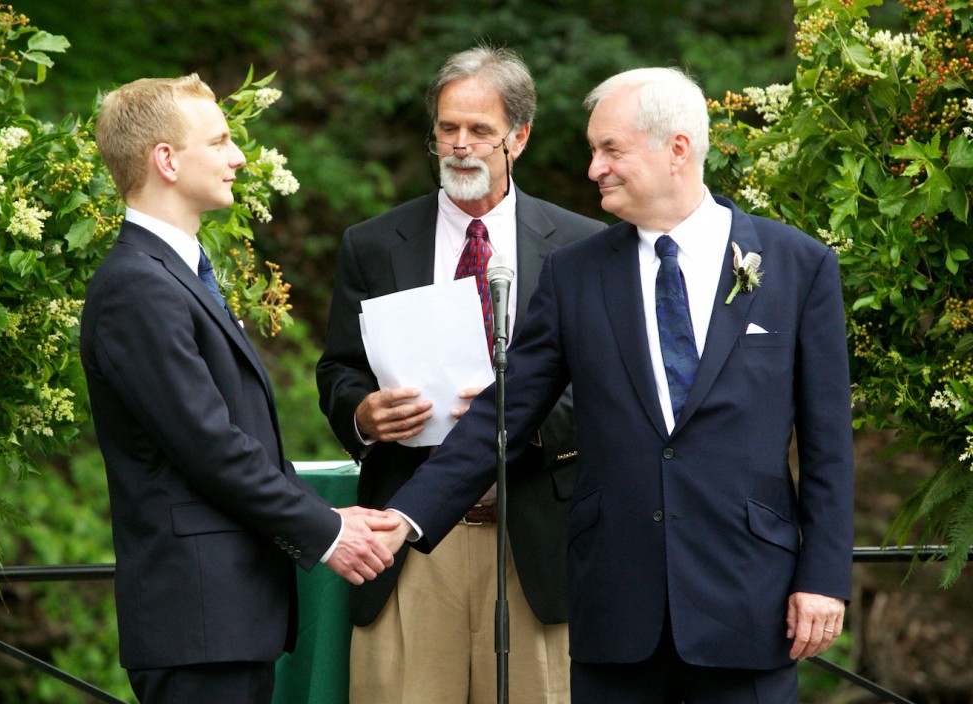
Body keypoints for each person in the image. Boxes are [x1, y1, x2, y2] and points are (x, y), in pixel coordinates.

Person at [379, 66, 855, 703]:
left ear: (677, 149)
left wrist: (823, 578)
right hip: (615, 605)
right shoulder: (575, 274)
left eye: (610, 149)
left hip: (749, 599)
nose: (593, 169)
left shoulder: (799, 265)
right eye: (593, 150)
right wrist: (405, 516)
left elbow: (828, 445)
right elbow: (503, 414)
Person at [81, 74, 398, 704]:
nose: (239, 158)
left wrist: (327, 515)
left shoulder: (175, 275)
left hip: (226, 619)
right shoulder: (136, 287)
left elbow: (233, 437)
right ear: (166, 160)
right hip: (196, 621)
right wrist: (325, 531)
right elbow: (209, 446)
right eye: (220, 141)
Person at [316, 46, 604, 704]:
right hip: (412, 539)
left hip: (535, 539)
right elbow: (338, 369)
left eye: (479, 129)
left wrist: (528, 420)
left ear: (518, 138)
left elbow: (607, 384)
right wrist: (362, 413)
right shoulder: (373, 243)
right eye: (447, 128)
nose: (461, 145)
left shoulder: (584, 245)